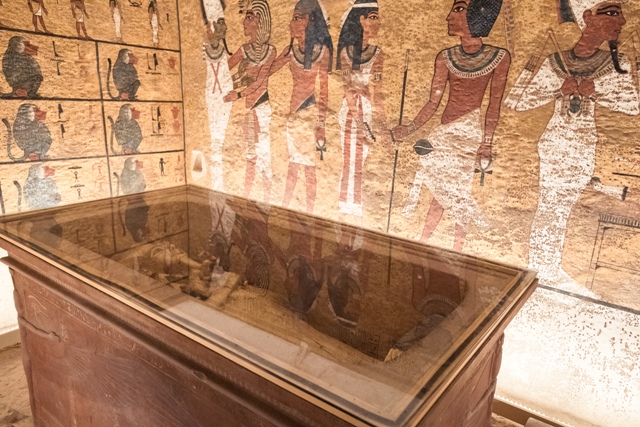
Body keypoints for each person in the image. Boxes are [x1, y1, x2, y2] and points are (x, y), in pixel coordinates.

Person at [505, 0, 639, 287]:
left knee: (562, 207)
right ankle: (543, 267)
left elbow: (632, 105)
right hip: (554, 143)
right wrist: (557, 89)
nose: (622, 21)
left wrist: (596, 92)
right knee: (549, 205)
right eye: (612, 13)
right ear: (588, 17)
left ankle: (547, 266)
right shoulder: (555, 60)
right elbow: (517, 101)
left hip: (582, 145)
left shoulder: (618, 63)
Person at [392, 0, 510, 251]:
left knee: (458, 193)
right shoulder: (445, 57)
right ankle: (424, 241)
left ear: (479, 14)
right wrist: (410, 128)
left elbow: (494, 104)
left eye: (458, 9)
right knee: (439, 191)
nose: (448, 16)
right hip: (443, 135)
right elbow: (433, 102)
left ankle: (457, 248)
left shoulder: (499, 57)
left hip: (468, 134)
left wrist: (486, 144)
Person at [269, 0, 332, 214]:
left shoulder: (322, 52)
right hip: (292, 117)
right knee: (293, 165)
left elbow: (324, 91)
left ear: (309, 21)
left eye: (297, 18)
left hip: (309, 112)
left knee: (309, 168)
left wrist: (321, 125)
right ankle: (286, 207)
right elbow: (267, 71)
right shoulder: (290, 51)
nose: (291, 23)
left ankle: (310, 212)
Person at [336, 0, 389, 219]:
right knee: (350, 158)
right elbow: (348, 89)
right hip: (351, 111)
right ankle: (346, 204)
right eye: (373, 17)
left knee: (360, 158)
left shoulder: (377, 54)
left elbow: (377, 93)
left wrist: (382, 124)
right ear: (361, 20)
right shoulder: (346, 53)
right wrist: (359, 121)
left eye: (377, 18)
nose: (378, 23)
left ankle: (354, 204)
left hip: (365, 110)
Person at [223, 0, 276, 204]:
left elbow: (261, 81)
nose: (244, 22)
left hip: (261, 107)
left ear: (261, 21)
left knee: (263, 157)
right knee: (250, 155)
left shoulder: (270, 51)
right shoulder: (245, 49)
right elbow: (224, 69)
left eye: (249, 17)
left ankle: (266, 201)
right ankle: (246, 198)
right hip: (249, 109)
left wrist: (238, 94)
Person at [202, 0, 233, 191]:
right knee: (216, 137)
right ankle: (217, 183)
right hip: (213, 95)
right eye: (219, 25)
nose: (224, 28)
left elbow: (226, 72)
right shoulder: (206, 49)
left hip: (222, 94)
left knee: (220, 137)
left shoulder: (224, 51)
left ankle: (219, 182)